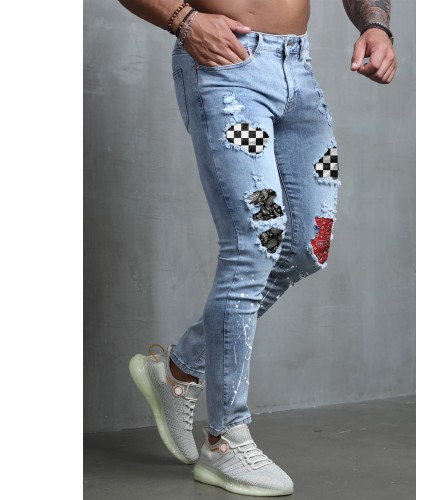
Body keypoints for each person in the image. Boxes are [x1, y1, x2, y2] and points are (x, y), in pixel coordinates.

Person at [119, 0, 396, 496]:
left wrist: (376, 26)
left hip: (297, 70)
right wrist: (185, 21)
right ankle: (225, 441)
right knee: (252, 246)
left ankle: (180, 370)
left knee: (308, 246)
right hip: (226, 68)